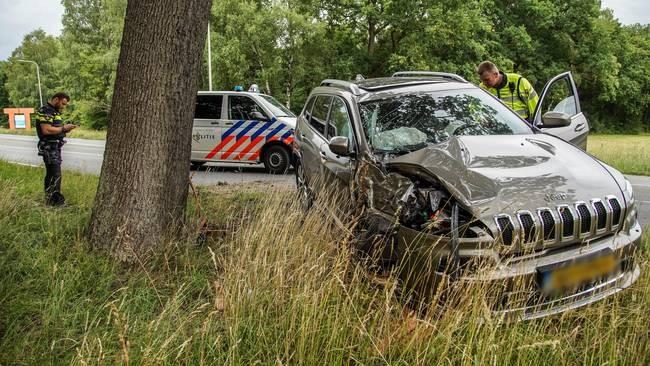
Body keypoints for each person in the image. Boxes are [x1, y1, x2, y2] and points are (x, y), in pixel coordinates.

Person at [34, 92, 76, 206]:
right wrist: (63, 128)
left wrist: (65, 130)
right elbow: (46, 130)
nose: (63, 106)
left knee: (52, 174)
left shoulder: (54, 112)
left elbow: (55, 129)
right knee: (55, 174)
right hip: (49, 147)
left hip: (54, 147)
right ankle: (56, 202)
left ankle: (50, 200)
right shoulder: (46, 110)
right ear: (56, 99)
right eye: (63, 103)